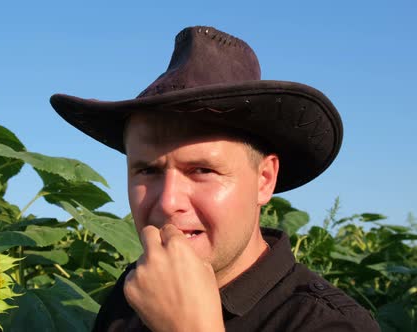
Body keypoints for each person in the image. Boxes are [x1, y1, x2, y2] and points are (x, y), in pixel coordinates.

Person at [50, 26, 380, 332]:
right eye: (147, 170)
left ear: (264, 179)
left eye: (202, 171)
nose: (168, 201)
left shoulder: (326, 324)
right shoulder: (130, 297)